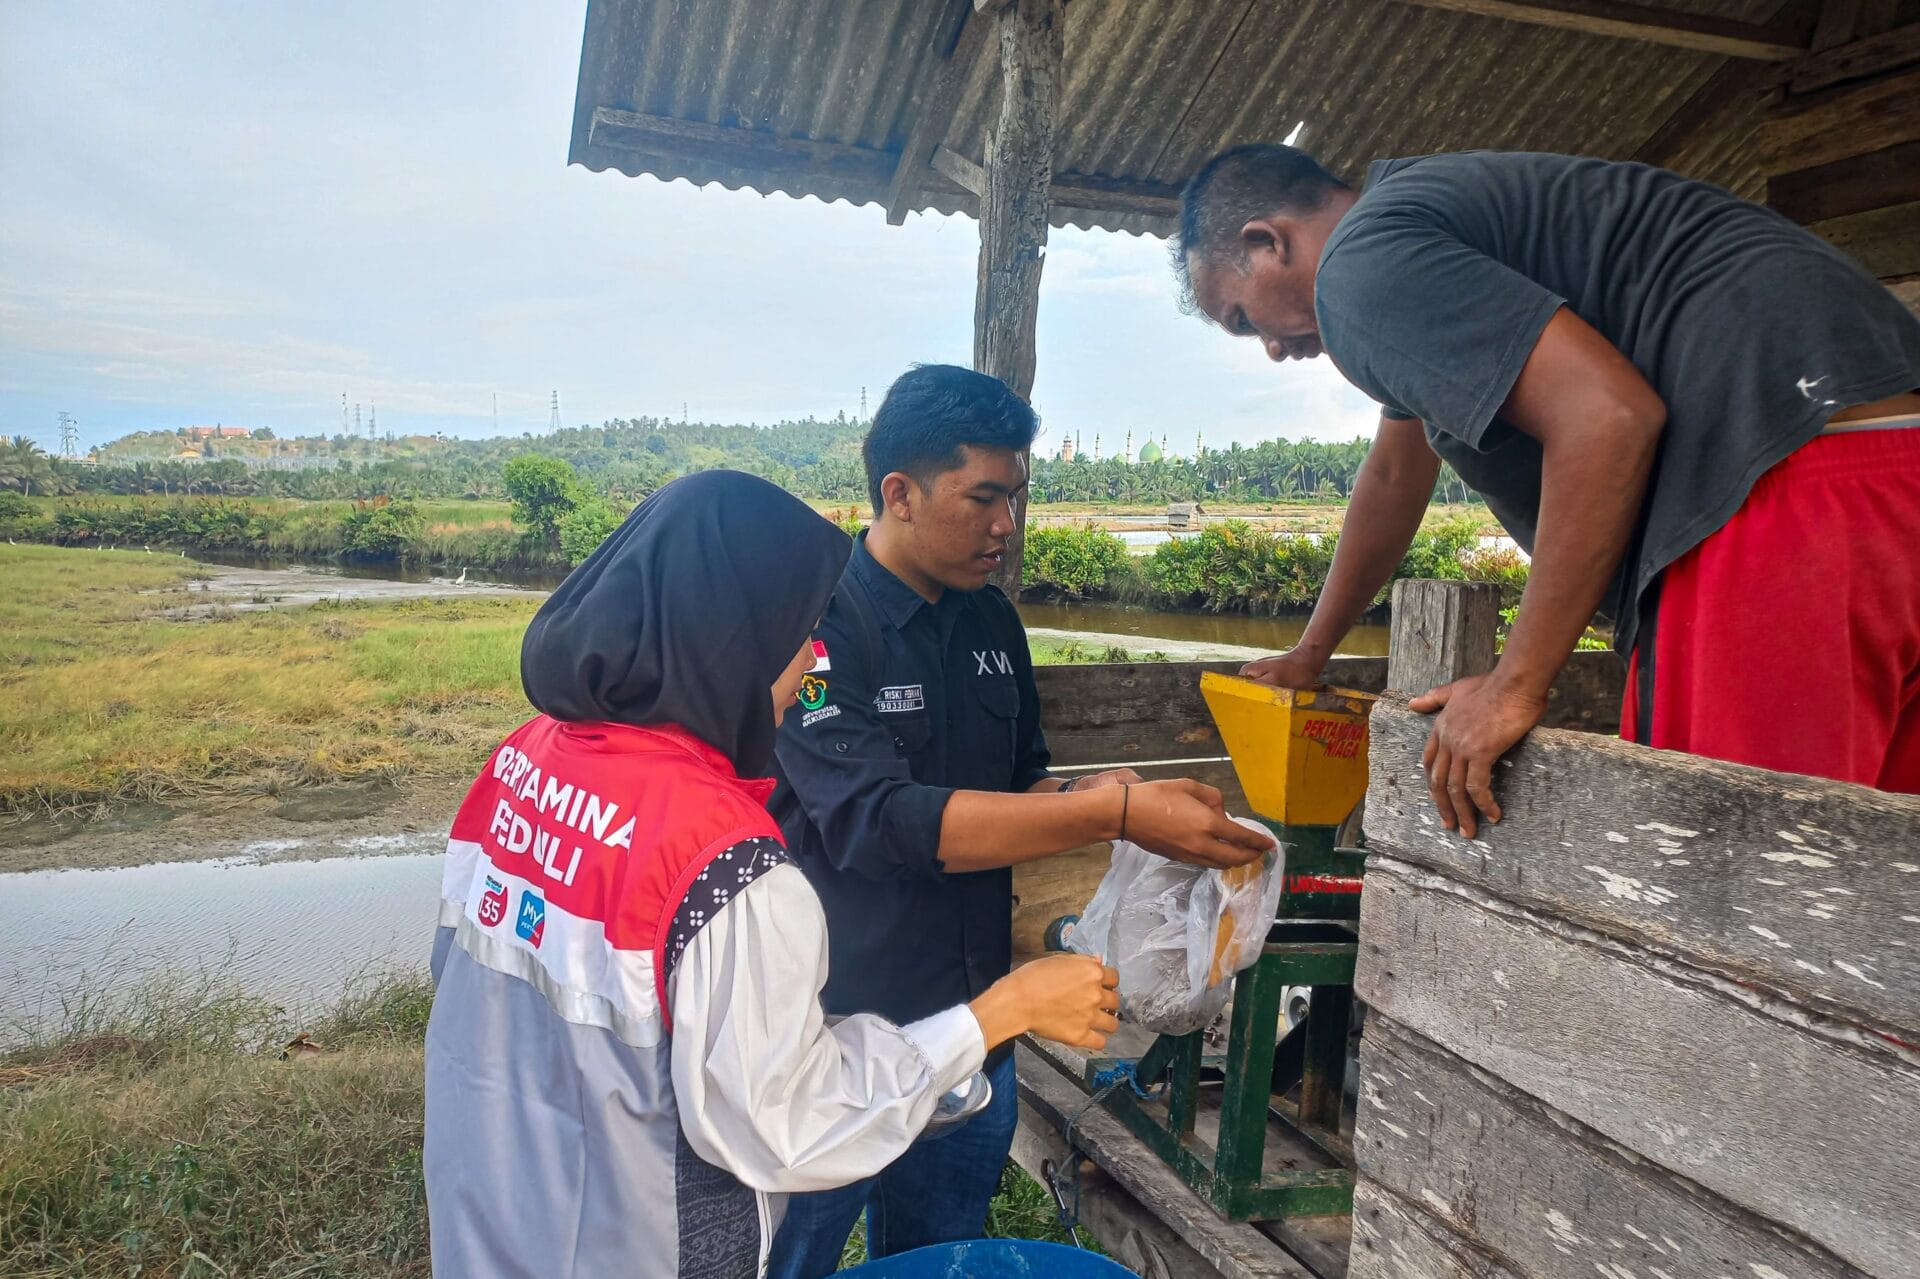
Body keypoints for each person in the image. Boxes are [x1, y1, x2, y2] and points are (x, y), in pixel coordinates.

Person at [423, 470, 1124, 1278]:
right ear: (728, 635)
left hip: (497, 1227)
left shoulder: (523, 761)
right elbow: (787, 1124)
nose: (816, 659)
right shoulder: (723, 862)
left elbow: (469, 989)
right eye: (803, 631)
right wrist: (1004, 1010)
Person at [1175, 145, 1920, 832]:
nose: (1273, 349)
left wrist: (1515, 683)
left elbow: (1608, 416)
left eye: (1243, 318)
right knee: (1884, 875)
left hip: (1788, 489)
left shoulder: (1359, 269)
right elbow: (1396, 473)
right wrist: (1311, 652)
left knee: (1736, 863)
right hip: (1883, 463)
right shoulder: (1426, 226)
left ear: (1266, 242)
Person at [767, 365, 1274, 1277]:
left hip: (975, 1027)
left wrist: (1097, 797)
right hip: (830, 1035)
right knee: (784, 1259)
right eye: (984, 496)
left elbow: (1021, 783)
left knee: (941, 1258)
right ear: (900, 493)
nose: (1007, 523)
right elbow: (873, 820)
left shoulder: (993, 623)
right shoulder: (821, 627)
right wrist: (1110, 810)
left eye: (1016, 495)